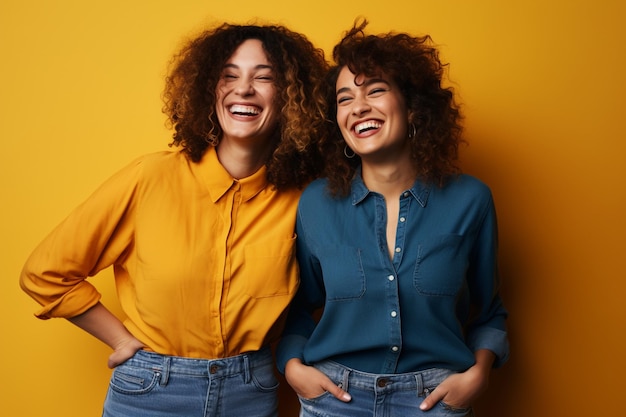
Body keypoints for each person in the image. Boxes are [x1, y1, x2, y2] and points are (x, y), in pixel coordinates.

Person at [20, 22, 328, 417]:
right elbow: (44, 273)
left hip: (251, 392)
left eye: (263, 77)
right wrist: (119, 339)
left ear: (291, 98)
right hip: (150, 391)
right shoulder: (150, 178)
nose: (244, 89)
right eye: (228, 76)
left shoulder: (306, 198)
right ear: (207, 90)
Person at [277, 20, 509, 416]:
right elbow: (298, 307)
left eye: (376, 91)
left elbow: (488, 312)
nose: (359, 107)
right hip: (334, 401)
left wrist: (478, 373)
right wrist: (294, 366)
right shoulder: (315, 202)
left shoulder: (471, 199)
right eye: (344, 98)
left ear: (413, 105)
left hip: (434, 401)